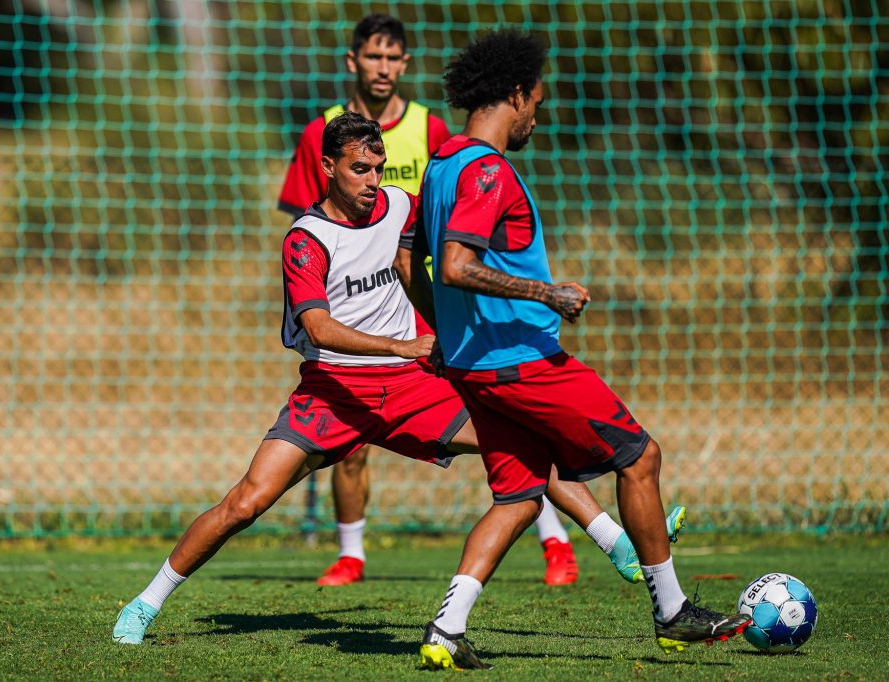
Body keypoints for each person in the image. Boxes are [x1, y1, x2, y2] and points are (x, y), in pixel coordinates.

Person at [112, 114, 676, 646]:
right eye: (360, 168)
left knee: (525, 446)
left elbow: (442, 254)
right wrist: (402, 343)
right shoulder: (305, 240)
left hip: (412, 388)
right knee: (246, 502)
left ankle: (620, 545)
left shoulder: (401, 207)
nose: (372, 180)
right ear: (328, 167)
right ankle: (145, 603)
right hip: (333, 391)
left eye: (379, 168)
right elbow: (319, 326)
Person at [406, 31, 750, 669]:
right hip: (524, 362)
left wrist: (448, 338)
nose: (538, 114)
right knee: (640, 457)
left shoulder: (441, 165)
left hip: (476, 367)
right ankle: (672, 612)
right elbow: (453, 264)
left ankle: (445, 631)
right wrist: (545, 292)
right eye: (536, 100)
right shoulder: (485, 169)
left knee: (517, 498)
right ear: (514, 94)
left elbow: (410, 262)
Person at [277, 13, 649, 587]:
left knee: (505, 438)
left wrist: (430, 319)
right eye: (371, 57)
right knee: (357, 453)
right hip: (353, 319)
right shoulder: (320, 132)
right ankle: (353, 557)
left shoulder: (433, 136)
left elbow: (427, 228)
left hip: (426, 317)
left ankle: (570, 543)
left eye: (392, 57)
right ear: (353, 62)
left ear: (404, 64)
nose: (382, 68)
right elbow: (311, 223)